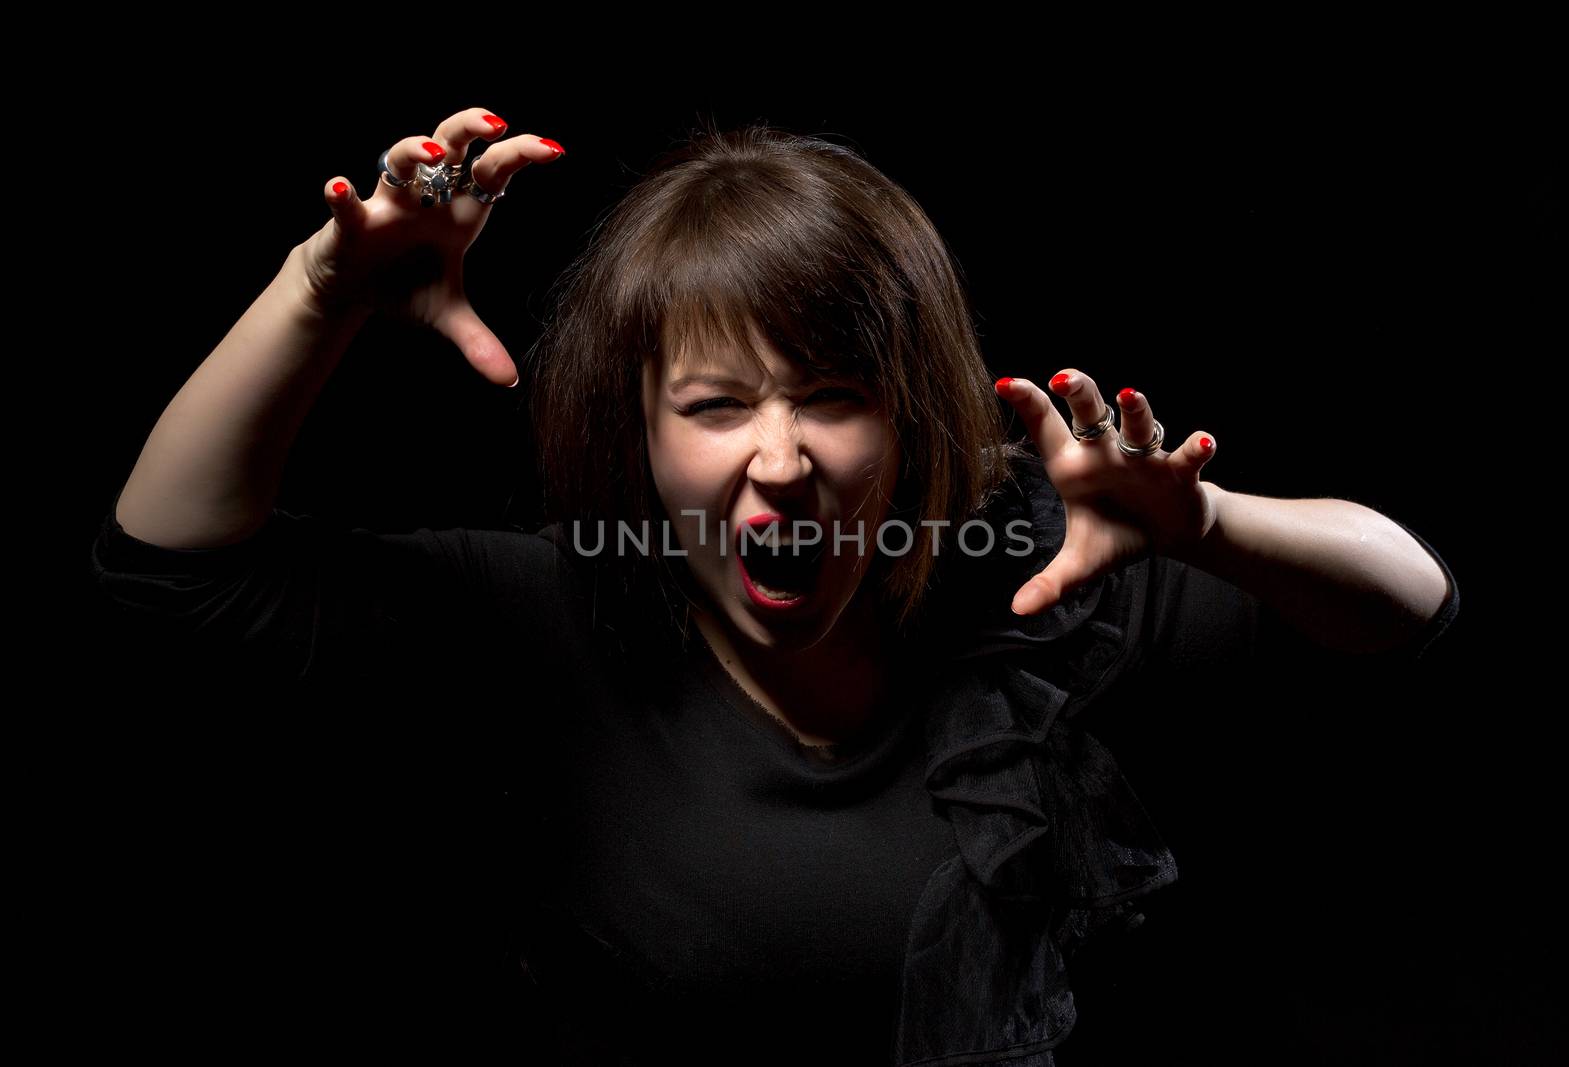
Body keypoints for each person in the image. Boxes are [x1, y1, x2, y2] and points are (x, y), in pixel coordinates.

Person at [88, 107, 1459, 1063]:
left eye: (835, 397)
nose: (782, 461)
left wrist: (1207, 521)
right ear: (640, 429)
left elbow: (1411, 606)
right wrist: (322, 288)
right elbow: (167, 567)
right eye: (715, 403)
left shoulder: (1037, 581)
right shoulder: (549, 616)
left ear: (914, 413)